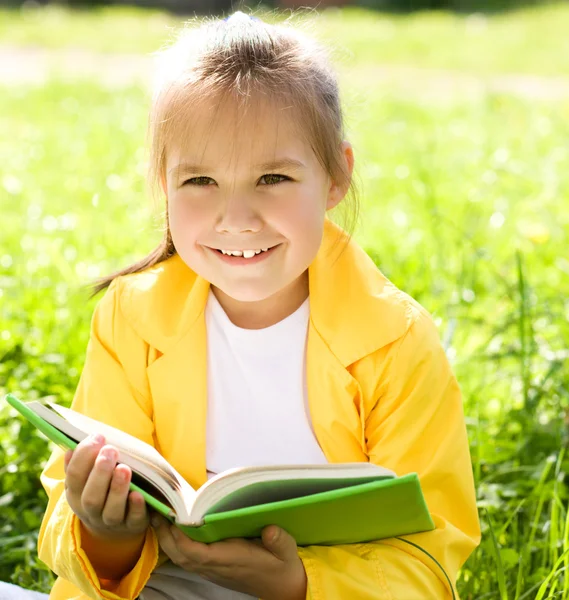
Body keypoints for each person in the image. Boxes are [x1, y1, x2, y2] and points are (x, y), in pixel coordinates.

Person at [12, 10, 480, 600]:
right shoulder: (132, 318)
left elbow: (431, 555)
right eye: (200, 182)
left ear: (336, 176)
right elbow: (68, 531)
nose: (236, 219)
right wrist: (107, 533)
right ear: (163, 183)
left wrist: (297, 582)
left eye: (273, 178)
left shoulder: (394, 340)